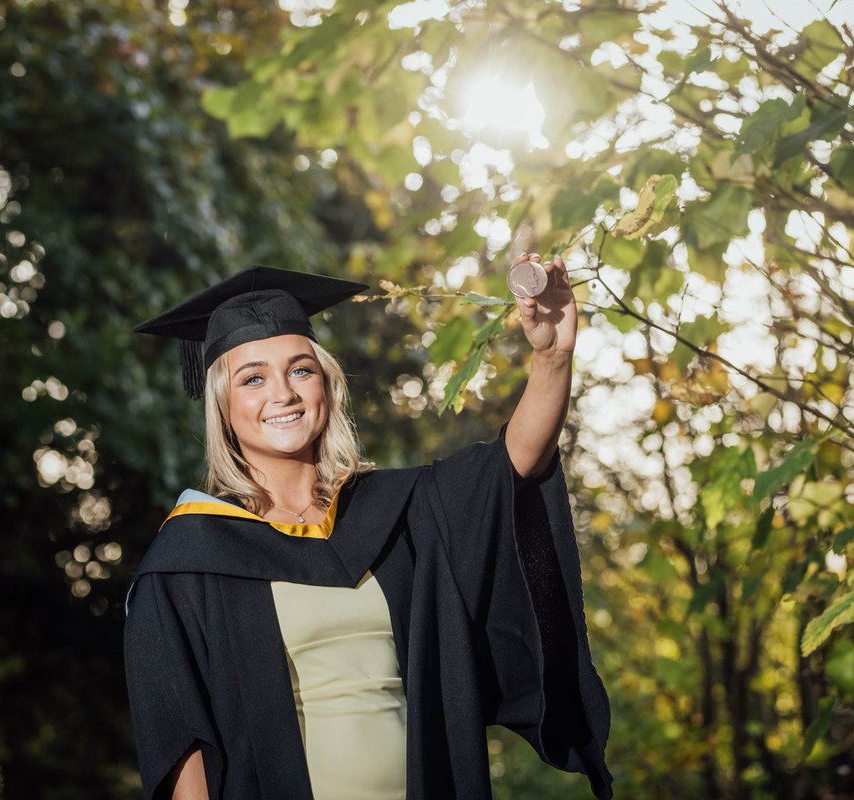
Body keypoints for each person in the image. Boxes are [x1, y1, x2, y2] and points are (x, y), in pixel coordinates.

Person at [124, 257, 612, 800]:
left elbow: (511, 463)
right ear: (224, 405)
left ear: (326, 388)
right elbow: (185, 763)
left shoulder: (393, 511)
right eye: (253, 378)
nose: (282, 393)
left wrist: (551, 355)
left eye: (301, 370)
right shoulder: (191, 559)